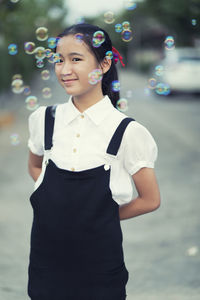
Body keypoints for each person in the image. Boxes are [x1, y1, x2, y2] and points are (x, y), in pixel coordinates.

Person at [27, 23, 160, 300]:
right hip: (46, 267)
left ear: (104, 63)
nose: (64, 70)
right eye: (59, 60)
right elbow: (35, 166)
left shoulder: (128, 132)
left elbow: (150, 199)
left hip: (100, 272)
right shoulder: (43, 119)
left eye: (76, 59)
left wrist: (100, 217)